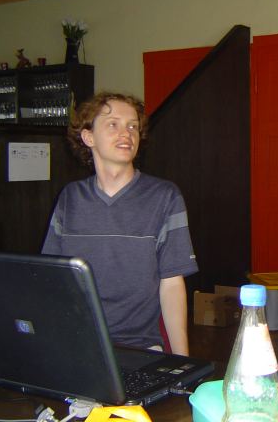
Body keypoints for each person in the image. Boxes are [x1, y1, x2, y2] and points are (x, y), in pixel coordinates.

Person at [42, 92, 197, 356]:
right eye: (113, 124)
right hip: (78, 344)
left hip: (140, 348)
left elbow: (172, 283)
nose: (126, 133)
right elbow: (53, 278)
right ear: (88, 137)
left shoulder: (164, 196)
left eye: (133, 126)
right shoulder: (70, 197)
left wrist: (182, 362)